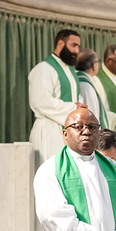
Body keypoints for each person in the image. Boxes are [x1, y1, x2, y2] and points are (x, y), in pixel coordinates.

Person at [28, 30, 83, 170]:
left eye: (78, 46)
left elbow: (76, 98)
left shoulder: (70, 71)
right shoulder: (44, 68)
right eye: (73, 45)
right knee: (51, 174)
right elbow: (40, 101)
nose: (77, 51)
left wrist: (81, 108)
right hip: (49, 130)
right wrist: (74, 108)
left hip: (69, 131)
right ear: (60, 44)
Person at [78, 49, 114, 130]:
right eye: (98, 61)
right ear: (94, 65)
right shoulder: (86, 86)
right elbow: (92, 117)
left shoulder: (77, 81)